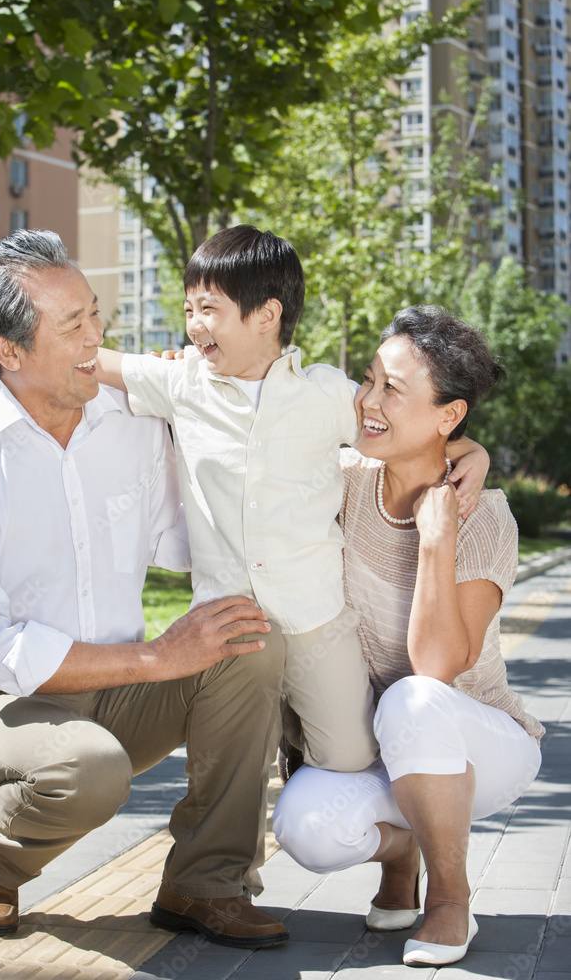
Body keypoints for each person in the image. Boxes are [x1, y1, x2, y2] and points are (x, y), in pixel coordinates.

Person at [0, 229, 290, 950]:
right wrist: (156, 660)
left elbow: (188, 545)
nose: (98, 337)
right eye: (73, 325)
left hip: (116, 694)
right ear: (7, 352)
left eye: (95, 314)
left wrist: (191, 414)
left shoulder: (133, 422)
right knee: (87, 768)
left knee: (248, 641)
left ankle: (205, 883)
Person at [67, 226, 488, 775]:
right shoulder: (180, 382)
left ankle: (295, 729)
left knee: (350, 756)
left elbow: (401, 427)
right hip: (226, 621)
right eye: (189, 308)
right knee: (228, 764)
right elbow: (89, 363)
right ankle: (264, 744)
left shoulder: (326, 392)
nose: (194, 324)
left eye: (209, 309)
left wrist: (472, 448)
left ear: (266, 316)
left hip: (316, 615)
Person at [272, 306, 544, 968]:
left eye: (391, 388)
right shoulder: (342, 480)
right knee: (304, 829)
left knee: (413, 700)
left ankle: (448, 900)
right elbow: (255, 457)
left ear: (447, 416)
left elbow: (437, 665)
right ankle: (402, 853)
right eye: (368, 379)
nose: (366, 399)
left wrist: (436, 537)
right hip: (379, 747)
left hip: (478, 742)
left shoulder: (484, 519)